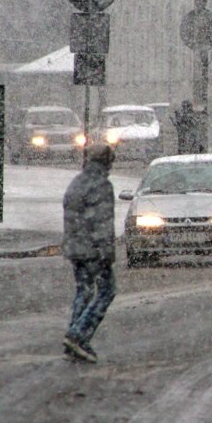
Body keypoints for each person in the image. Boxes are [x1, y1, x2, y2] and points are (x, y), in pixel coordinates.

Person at [61, 143, 117, 363]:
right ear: (106, 162)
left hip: (75, 248)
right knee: (106, 291)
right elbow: (102, 222)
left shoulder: (76, 182)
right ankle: (78, 335)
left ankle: (73, 336)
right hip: (94, 250)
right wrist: (106, 252)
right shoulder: (102, 185)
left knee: (83, 291)